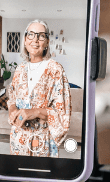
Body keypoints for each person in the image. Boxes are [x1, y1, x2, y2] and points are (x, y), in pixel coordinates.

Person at [7, 20, 72, 157]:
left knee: (42, 177)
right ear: (25, 40)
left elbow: (62, 113)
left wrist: (35, 112)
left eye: (41, 35)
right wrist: (12, 109)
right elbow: (12, 95)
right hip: (18, 139)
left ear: (47, 42)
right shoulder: (20, 69)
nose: (35, 40)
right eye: (31, 34)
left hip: (42, 142)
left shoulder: (55, 69)